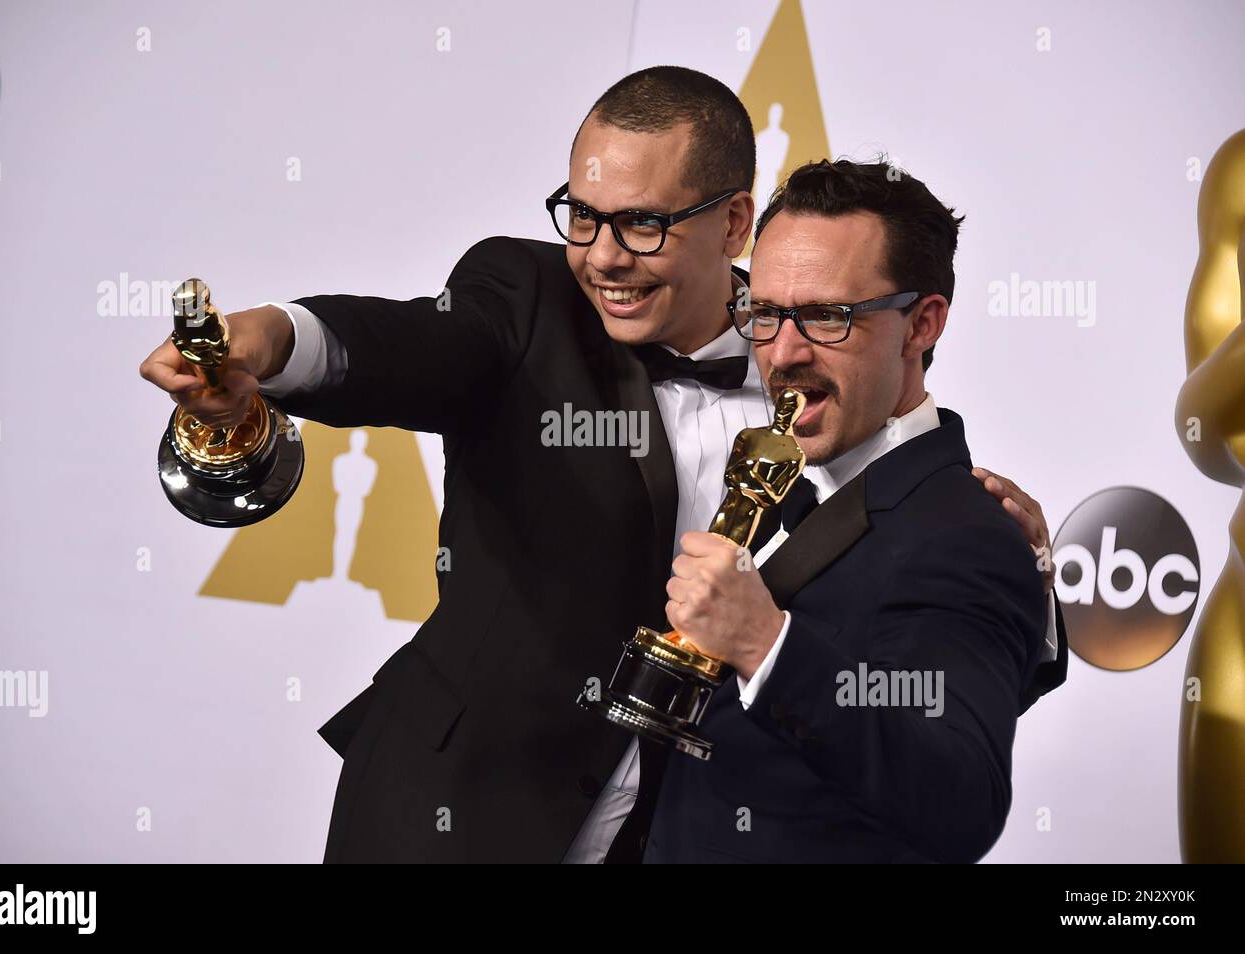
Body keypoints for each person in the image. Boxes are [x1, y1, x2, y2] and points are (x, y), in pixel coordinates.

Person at [139, 68, 1061, 863]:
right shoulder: (528, 302)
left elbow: (915, 652)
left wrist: (1025, 584)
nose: (604, 257)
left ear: (733, 222)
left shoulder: (823, 398)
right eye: (583, 216)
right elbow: (410, 346)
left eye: (645, 225)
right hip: (451, 821)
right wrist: (272, 342)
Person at [644, 158, 1068, 864]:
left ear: (921, 325)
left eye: (825, 316)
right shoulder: (785, 473)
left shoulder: (966, 537)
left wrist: (765, 644)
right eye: (767, 312)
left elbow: (961, 801)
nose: (781, 353)